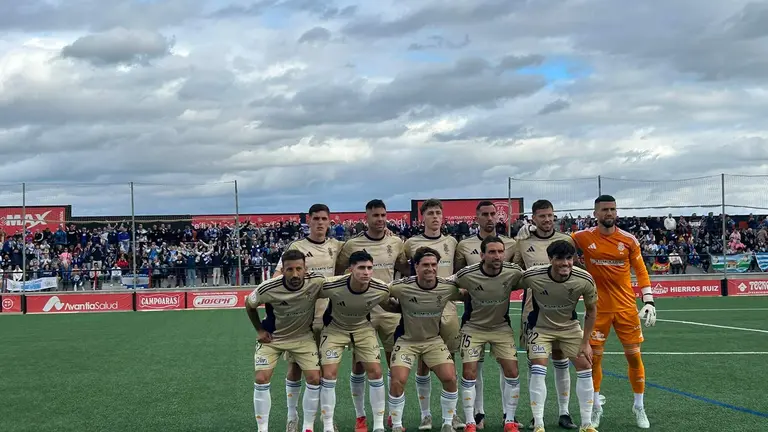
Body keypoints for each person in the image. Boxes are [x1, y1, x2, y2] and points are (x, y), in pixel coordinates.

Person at [572, 195, 655, 428]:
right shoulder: (582, 237)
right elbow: (558, 243)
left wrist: (648, 301)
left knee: (634, 356)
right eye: (605, 209)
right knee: (594, 360)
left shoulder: (628, 240)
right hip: (596, 310)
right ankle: (596, 406)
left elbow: (641, 270)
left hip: (627, 308)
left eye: (613, 209)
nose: (609, 213)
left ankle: (639, 406)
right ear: (595, 213)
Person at [335, 199, 410, 432]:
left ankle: (391, 414)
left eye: (383, 215)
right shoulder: (351, 245)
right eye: (375, 215)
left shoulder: (396, 242)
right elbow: (338, 272)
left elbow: (406, 268)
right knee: (360, 365)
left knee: (393, 364)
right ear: (366, 217)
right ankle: (361, 416)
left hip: (389, 310)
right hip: (361, 313)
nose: (380, 219)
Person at [272, 204, 344, 432]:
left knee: (326, 371)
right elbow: (277, 276)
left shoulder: (338, 247)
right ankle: (292, 416)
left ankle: (326, 419)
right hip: (300, 320)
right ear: (309, 221)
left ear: (329, 222)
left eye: (324, 219)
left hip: (329, 318)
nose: (320, 223)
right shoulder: (296, 247)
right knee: (295, 368)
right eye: (316, 219)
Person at [513, 200, 579, 430]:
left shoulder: (567, 241)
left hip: (562, 312)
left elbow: (576, 270)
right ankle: (536, 416)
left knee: (561, 361)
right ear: (533, 218)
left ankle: (564, 413)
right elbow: (514, 271)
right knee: (535, 363)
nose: (547, 219)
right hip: (533, 311)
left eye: (550, 215)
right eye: (542, 216)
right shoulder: (522, 242)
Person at [520, 240, 598, 432]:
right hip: (540, 327)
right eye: (560, 259)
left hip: (569, 328)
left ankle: (586, 424)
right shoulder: (532, 276)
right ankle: (538, 423)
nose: (565, 263)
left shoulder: (584, 279)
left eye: (569, 258)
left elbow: (591, 311)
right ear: (550, 259)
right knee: (539, 366)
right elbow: (506, 282)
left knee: (585, 365)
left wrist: (586, 342)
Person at [245, 249, 326, 432]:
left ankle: (306, 426)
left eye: (299, 269)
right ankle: (262, 429)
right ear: (283, 270)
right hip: (273, 338)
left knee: (314, 379)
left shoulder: (316, 282)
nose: (295, 274)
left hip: (303, 337)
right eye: (290, 269)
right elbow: (249, 305)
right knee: (261, 378)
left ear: (306, 269)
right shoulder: (268, 287)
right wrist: (259, 329)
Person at [454, 200, 518, 429]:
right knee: (474, 368)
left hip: (501, 317)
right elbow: (457, 279)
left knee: (507, 367)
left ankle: (507, 415)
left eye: (493, 214)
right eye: (485, 214)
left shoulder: (511, 244)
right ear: (477, 217)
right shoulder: (464, 246)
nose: (490, 218)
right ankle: (477, 415)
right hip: (474, 318)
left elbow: (516, 276)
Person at [318, 250, 398, 432]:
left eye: (370, 268)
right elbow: (309, 294)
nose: (366, 272)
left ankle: (378, 426)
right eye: (361, 268)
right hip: (335, 328)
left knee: (376, 372)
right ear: (350, 269)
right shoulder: (330, 285)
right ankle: (329, 425)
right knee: (329, 375)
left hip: (363, 328)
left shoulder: (380, 288)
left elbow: (388, 304)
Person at [387, 246, 464, 432]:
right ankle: (397, 425)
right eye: (425, 265)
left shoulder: (446, 287)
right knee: (397, 381)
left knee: (450, 378)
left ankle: (447, 422)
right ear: (416, 266)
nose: (430, 269)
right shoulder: (401, 286)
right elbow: (382, 294)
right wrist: (397, 309)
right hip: (407, 341)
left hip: (433, 341)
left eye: (434, 264)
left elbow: (465, 294)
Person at [404, 199, 463, 430]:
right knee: (423, 360)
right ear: (422, 218)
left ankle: (453, 414)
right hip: (420, 309)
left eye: (439, 213)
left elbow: (456, 271)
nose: (435, 217)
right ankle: (425, 415)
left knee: (451, 359)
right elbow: (404, 268)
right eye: (430, 213)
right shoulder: (410, 243)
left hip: (447, 308)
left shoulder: (452, 241)